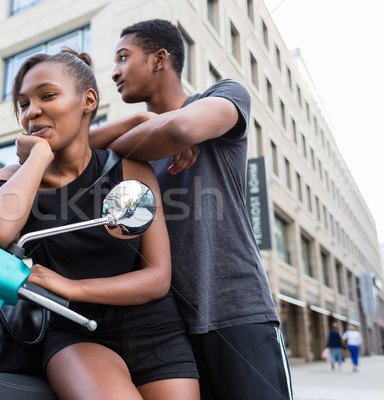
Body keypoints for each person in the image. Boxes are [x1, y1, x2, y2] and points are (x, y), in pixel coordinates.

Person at [0, 49, 200, 400]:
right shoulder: (13, 178)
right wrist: (39, 156)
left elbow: (157, 278)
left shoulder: (129, 169)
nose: (31, 111)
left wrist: (70, 287)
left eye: (47, 96)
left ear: (88, 100)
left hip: (156, 331)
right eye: (23, 104)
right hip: (76, 334)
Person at [89, 19, 293, 400]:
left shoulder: (224, 94)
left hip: (235, 312)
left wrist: (163, 129)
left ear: (159, 59)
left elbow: (180, 132)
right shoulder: (133, 144)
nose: (114, 71)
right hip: (166, 333)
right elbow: (73, 151)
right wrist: (143, 120)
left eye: (123, 57)